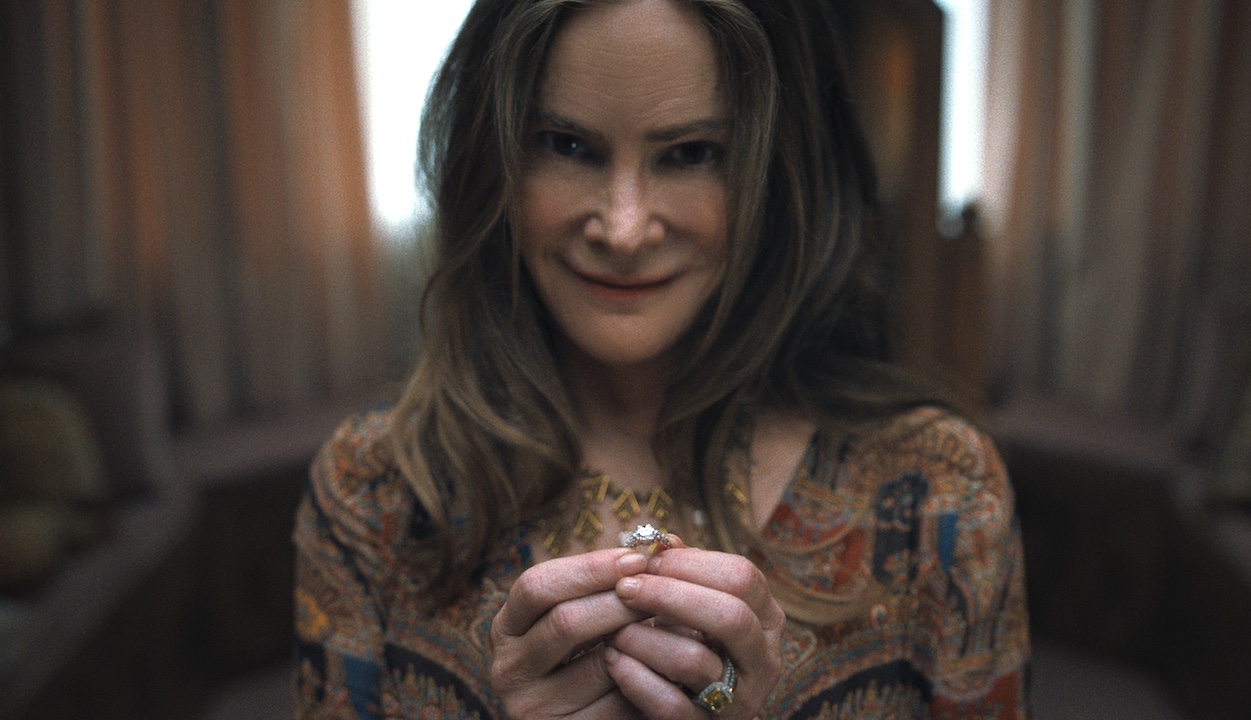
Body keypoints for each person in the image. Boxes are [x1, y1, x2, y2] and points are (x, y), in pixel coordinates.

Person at [292, 0, 1031, 717]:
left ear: (778, 175)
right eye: (569, 145)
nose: (622, 227)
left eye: (690, 154)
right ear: (494, 158)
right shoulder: (373, 495)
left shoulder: (941, 494)